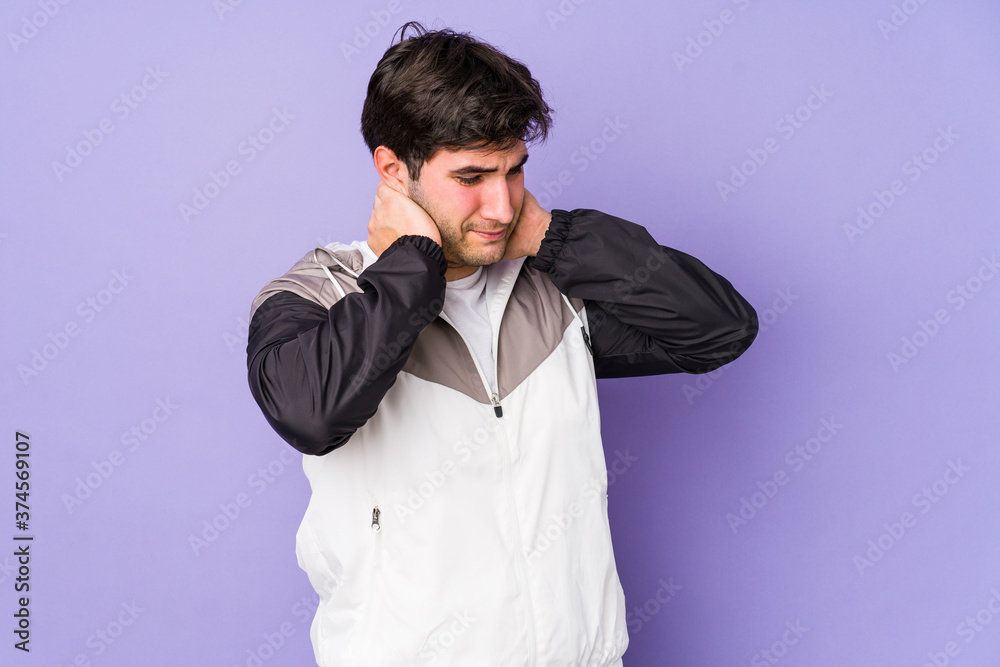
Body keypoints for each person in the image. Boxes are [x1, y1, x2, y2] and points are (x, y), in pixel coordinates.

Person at [246, 21, 758, 667]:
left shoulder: (552, 291)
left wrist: (553, 236)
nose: (501, 204)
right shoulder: (318, 292)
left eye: (515, 171)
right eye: (472, 176)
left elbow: (718, 328)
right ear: (392, 171)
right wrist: (413, 262)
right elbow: (309, 412)